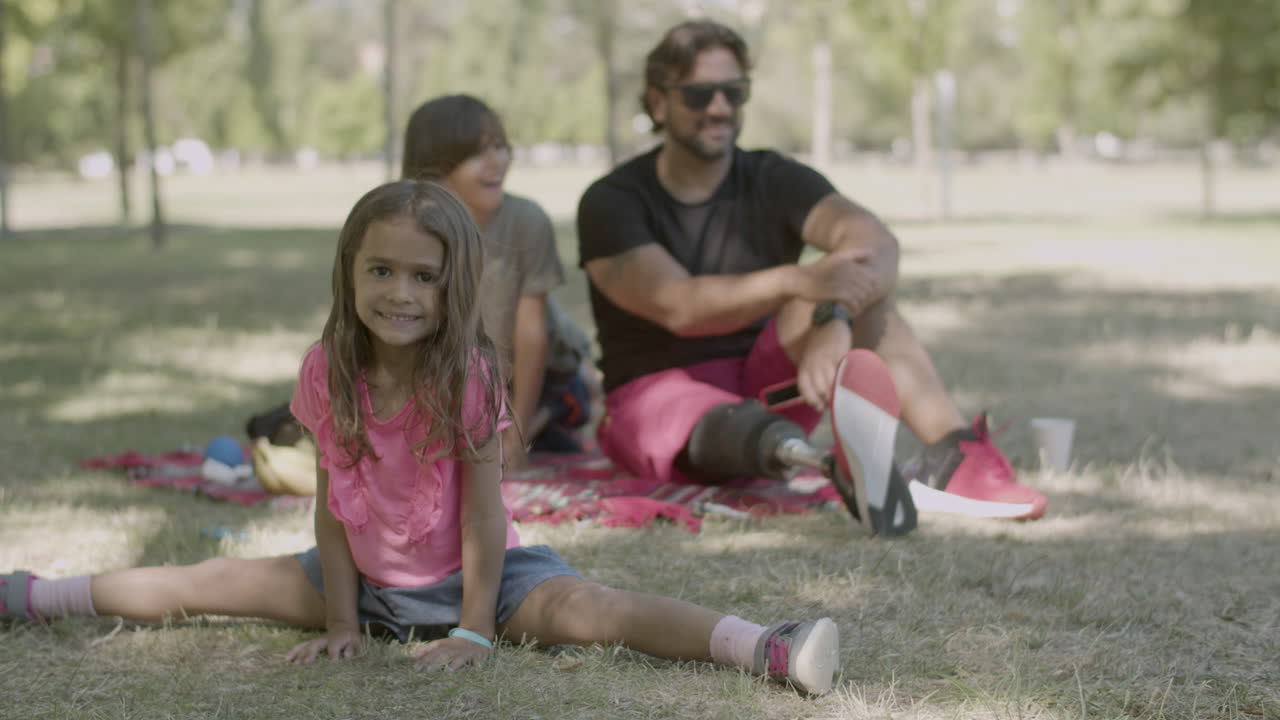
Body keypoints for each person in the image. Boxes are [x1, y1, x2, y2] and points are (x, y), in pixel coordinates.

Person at [0, 180, 841, 695]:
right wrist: (339, 621)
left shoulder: (467, 377)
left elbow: (482, 520)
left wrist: (475, 628)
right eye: (381, 270)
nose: (399, 292)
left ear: (452, 288)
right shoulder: (325, 372)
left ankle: (764, 647)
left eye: (423, 276)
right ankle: (33, 595)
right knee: (212, 578)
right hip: (367, 583)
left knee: (596, 611)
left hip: (490, 581)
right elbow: (331, 513)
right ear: (350, 273)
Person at [576, 20, 1047, 527]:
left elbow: (876, 243)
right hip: (659, 393)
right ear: (658, 101)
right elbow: (679, 305)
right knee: (722, 409)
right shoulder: (611, 201)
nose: (719, 108)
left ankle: (954, 460)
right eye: (698, 94)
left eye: (734, 92)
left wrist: (834, 314)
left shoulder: (773, 177)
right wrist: (799, 281)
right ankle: (833, 466)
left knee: (865, 293)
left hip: (769, 379)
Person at [402, 94, 598, 468]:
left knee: (567, 399)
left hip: (532, 374)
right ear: (434, 167)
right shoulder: (405, 229)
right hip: (452, 377)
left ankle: (570, 396)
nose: (498, 161)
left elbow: (531, 333)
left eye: (500, 146)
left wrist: (516, 434)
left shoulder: (526, 220)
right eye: (478, 153)